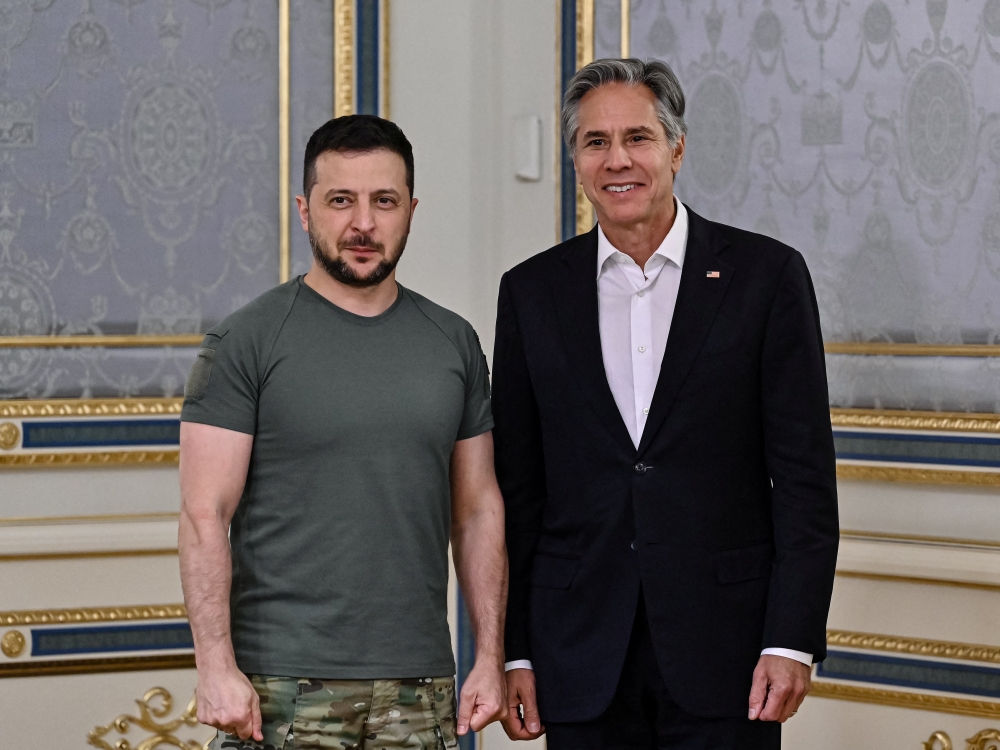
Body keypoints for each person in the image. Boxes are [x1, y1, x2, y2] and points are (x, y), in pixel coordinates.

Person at [493, 59, 839, 749]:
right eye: (594, 142)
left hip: (729, 653)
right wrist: (516, 651)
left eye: (638, 138)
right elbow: (518, 490)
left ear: (677, 149)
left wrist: (792, 640)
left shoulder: (766, 278)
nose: (617, 160)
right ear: (575, 160)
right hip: (578, 653)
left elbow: (803, 478)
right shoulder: (530, 293)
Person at [178, 115, 508, 750]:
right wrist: (214, 666)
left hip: (422, 686)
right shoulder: (245, 341)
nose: (363, 223)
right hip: (280, 688)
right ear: (305, 211)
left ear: (410, 210)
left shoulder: (454, 343)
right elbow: (203, 512)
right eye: (341, 201)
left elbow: (478, 509)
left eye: (384, 201)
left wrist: (489, 657)